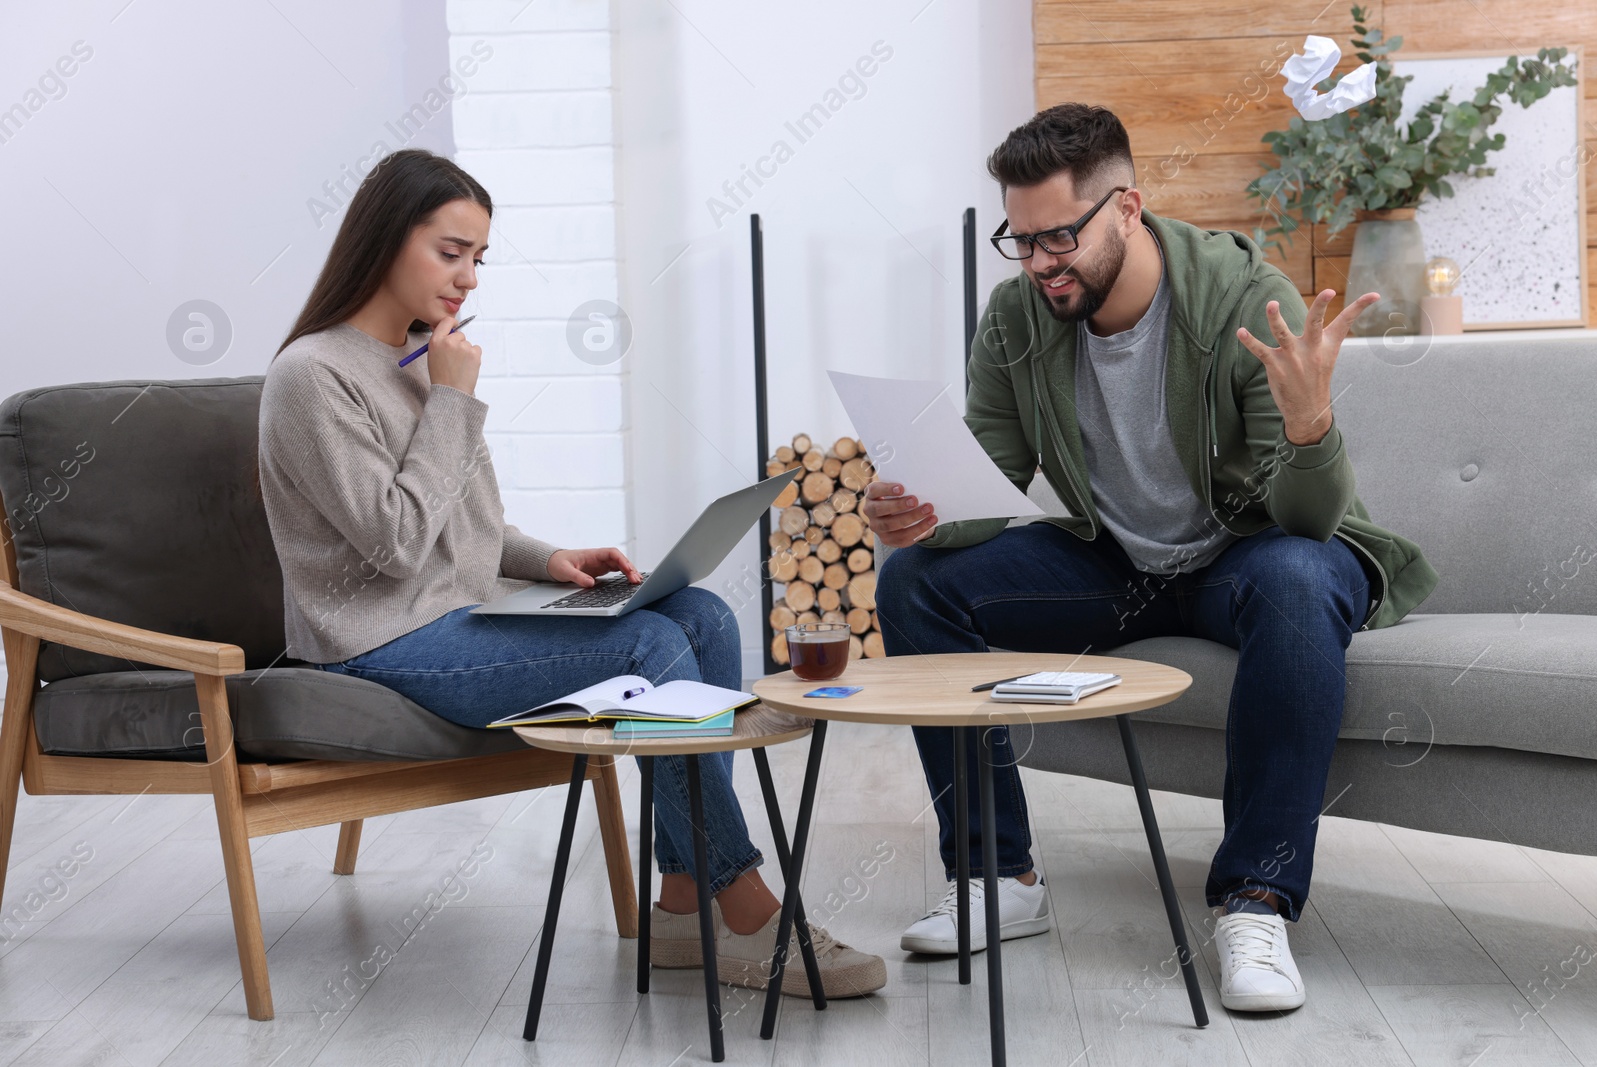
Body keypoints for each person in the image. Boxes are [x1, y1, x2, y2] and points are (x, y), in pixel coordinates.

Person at [256, 147, 885, 999]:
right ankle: (745, 903)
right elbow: (397, 546)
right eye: (451, 252)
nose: (470, 278)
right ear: (384, 239)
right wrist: (452, 401)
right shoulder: (313, 376)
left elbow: (454, 518)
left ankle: (680, 900)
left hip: (453, 618)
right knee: (651, 647)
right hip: (376, 643)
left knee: (700, 616)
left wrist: (544, 558)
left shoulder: (418, 357)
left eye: (479, 258)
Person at [864, 104, 1437, 1012]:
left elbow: (1308, 519)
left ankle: (1255, 900)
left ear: (1127, 208)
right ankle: (998, 879)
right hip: (1117, 563)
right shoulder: (1019, 317)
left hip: (1246, 557)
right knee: (914, 585)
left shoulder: (1247, 303)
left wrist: (1310, 427)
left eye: (1060, 237)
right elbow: (988, 482)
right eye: (1022, 240)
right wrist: (920, 516)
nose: (1042, 262)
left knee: (1296, 577)